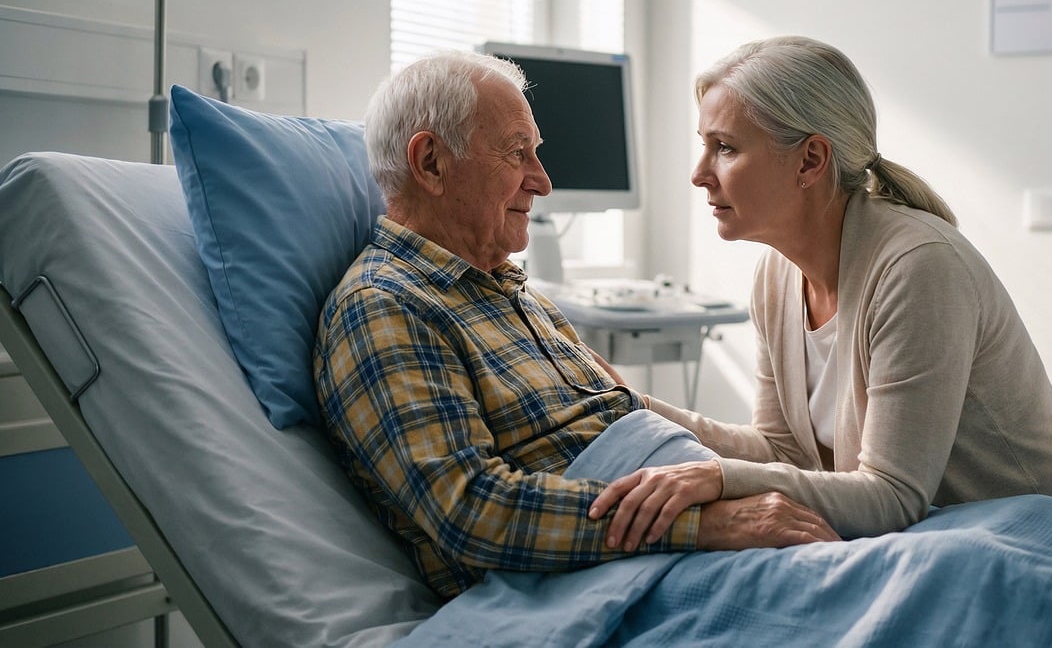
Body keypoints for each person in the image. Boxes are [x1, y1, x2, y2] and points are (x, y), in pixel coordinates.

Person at [312, 49, 838, 601]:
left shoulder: (508, 290)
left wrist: (746, 492)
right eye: (518, 155)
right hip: (616, 574)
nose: (542, 182)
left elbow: (623, 415)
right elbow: (471, 511)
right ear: (431, 164)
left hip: (684, 520)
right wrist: (715, 525)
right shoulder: (385, 308)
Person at [590, 35, 1052, 553]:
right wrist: (634, 405)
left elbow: (892, 495)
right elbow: (782, 450)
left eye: (725, 148)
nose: (699, 173)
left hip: (1035, 545)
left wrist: (719, 477)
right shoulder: (776, 275)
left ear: (811, 160)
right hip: (938, 543)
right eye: (704, 144)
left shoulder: (918, 267)